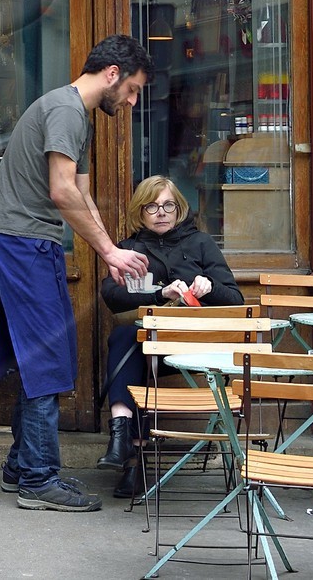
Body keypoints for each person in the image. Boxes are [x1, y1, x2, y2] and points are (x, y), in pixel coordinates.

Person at [0, 33, 152, 513]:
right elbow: (61, 192)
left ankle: (22, 468)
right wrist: (110, 253)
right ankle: (37, 479)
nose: (133, 101)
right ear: (113, 74)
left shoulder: (77, 116)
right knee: (47, 360)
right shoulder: (66, 110)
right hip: (21, 244)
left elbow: (81, 195)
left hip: (28, 243)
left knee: (44, 356)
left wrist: (110, 251)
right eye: (134, 89)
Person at [97, 176, 243, 498]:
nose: (161, 212)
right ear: (141, 211)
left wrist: (209, 287)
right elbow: (111, 296)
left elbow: (236, 299)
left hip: (194, 348)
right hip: (150, 349)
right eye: (152, 206)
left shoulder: (201, 243)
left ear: (179, 209)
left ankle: (130, 457)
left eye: (168, 205)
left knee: (131, 347)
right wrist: (159, 292)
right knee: (127, 339)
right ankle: (125, 446)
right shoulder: (129, 248)